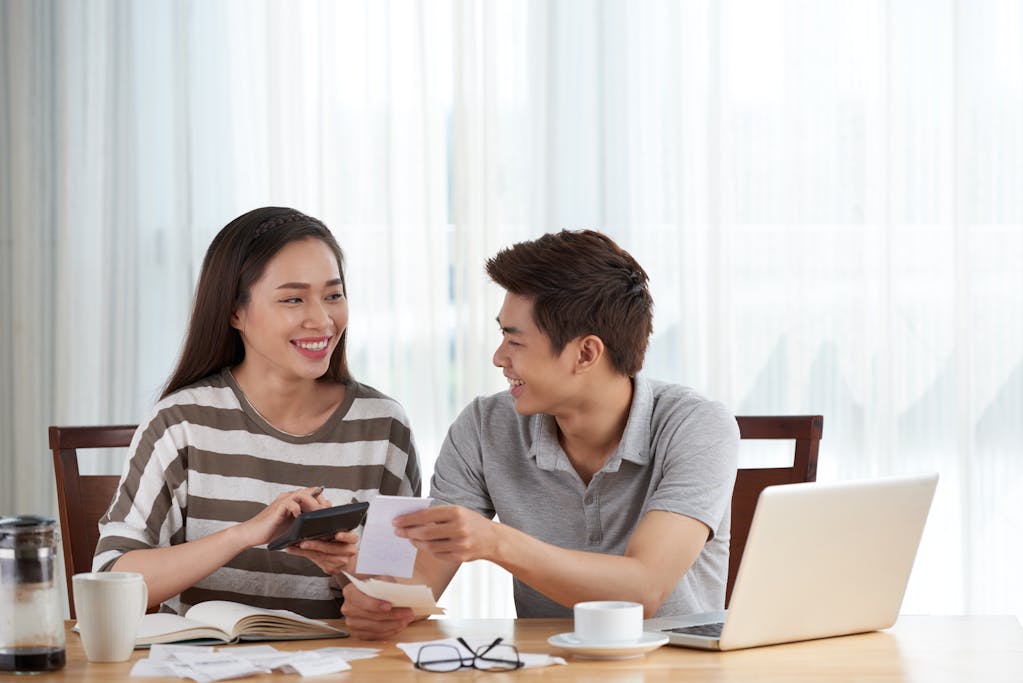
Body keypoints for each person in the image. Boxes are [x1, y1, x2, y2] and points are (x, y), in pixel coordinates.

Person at [341, 229, 739, 639]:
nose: (499, 357)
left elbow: (644, 589)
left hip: (676, 664)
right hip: (547, 664)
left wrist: (495, 541)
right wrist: (372, 591)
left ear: (586, 353)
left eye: (515, 340)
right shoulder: (484, 426)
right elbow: (420, 583)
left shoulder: (698, 426)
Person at [93, 207, 421, 618]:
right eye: (293, 299)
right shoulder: (181, 423)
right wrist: (244, 535)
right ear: (235, 312)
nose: (321, 320)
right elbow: (111, 576)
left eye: (333, 295)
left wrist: (346, 563)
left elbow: (404, 596)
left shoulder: (384, 427)